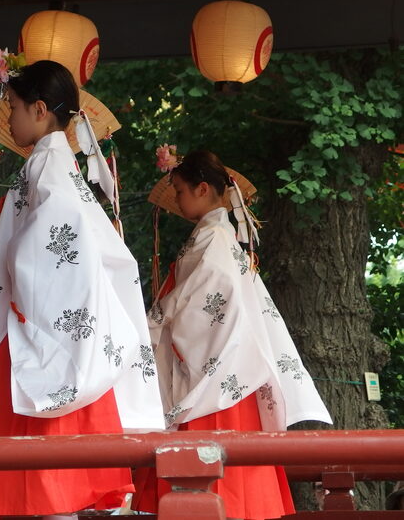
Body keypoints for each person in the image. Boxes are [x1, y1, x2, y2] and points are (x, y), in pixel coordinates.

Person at [0, 60, 163, 519]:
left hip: (38, 337)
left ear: (40, 110)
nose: (11, 117)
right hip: (47, 331)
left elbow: (53, 251)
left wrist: (19, 277)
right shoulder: (52, 167)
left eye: (15, 107)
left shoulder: (50, 172)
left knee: (42, 487)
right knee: (46, 489)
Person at [134, 149, 332, 520]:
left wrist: (155, 319)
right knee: (236, 481)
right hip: (231, 372)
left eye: (179, 190)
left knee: (208, 471)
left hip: (215, 373)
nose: (176, 198)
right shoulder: (217, 236)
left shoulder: (213, 239)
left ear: (202, 188)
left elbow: (199, 304)